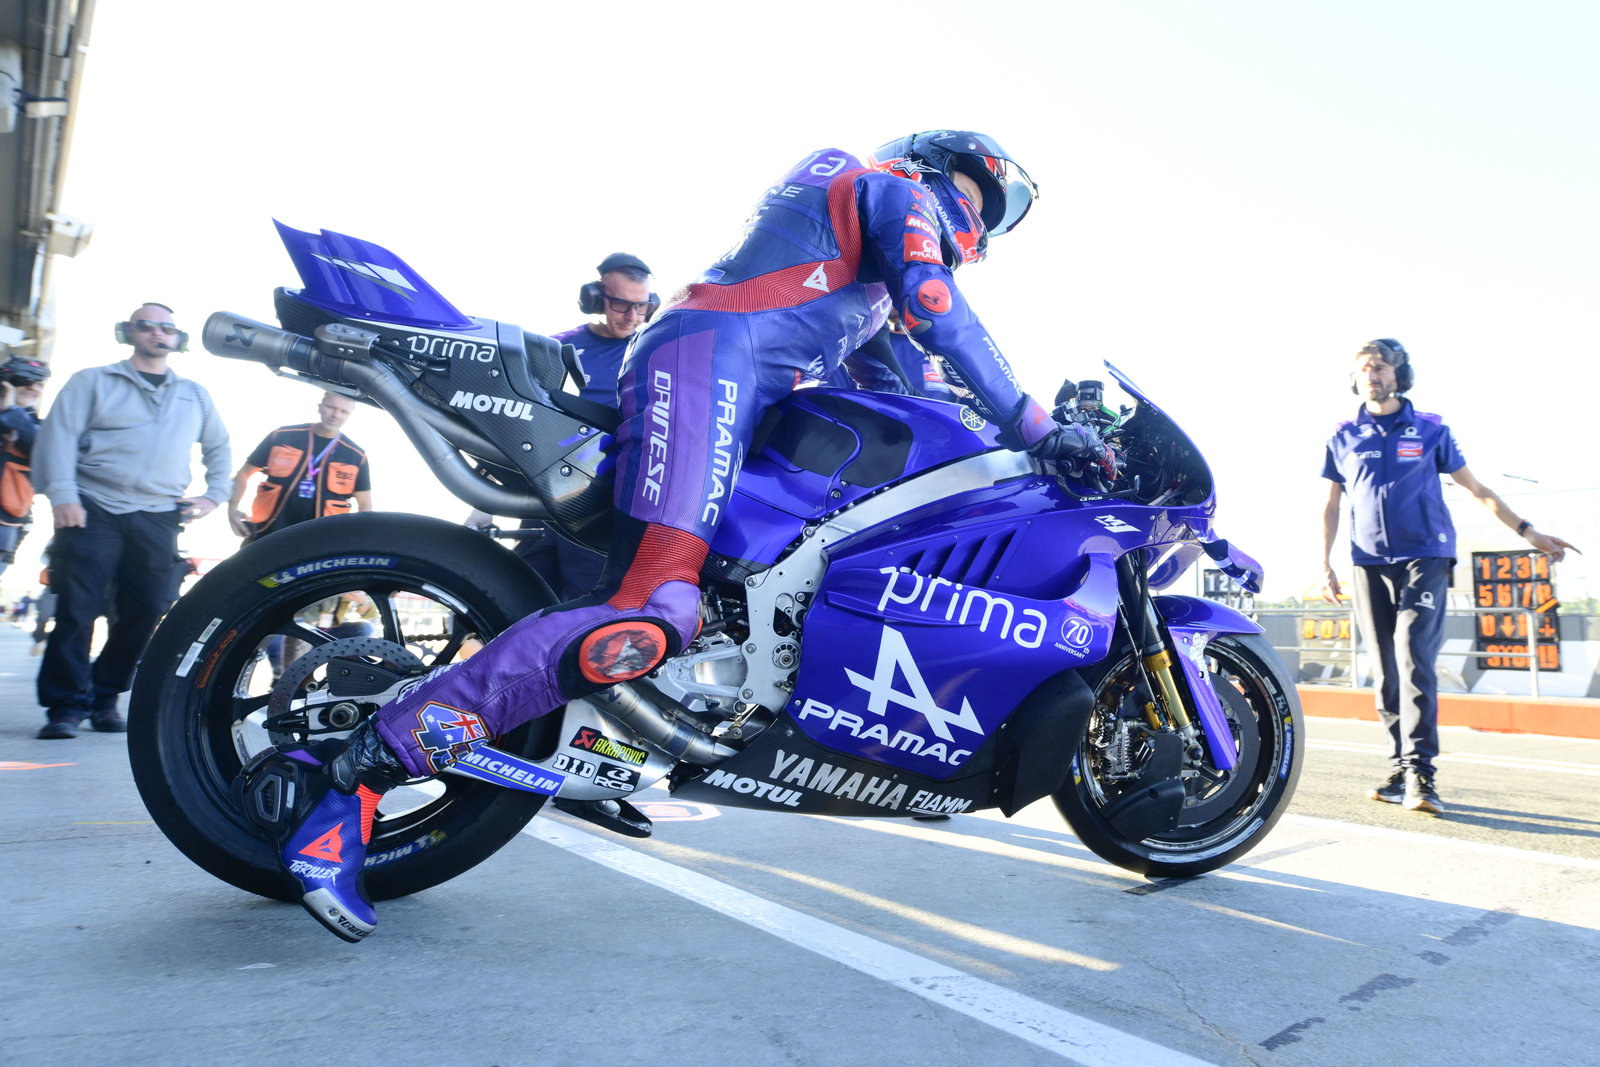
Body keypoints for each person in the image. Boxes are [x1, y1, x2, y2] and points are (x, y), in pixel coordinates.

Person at [239, 130, 1112, 941]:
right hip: (709, 364)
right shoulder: (888, 191)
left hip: (729, 378)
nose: (975, 222)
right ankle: (345, 780)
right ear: (935, 167)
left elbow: (919, 383)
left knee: (703, 595)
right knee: (653, 610)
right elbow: (938, 304)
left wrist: (1024, 446)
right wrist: (1039, 424)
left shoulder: (860, 295)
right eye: (974, 195)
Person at [1319, 339, 1578, 815]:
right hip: (1367, 562)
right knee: (1384, 671)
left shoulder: (1432, 431)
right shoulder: (1342, 437)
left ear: (1400, 375)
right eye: (1363, 369)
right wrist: (1325, 563)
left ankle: (1422, 773)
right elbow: (1331, 504)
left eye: (1379, 367)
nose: (1371, 375)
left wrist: (1528, 532)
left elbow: (1478, 490)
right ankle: (1398, 766)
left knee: (1414, 657)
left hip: (1427, 556)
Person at [32, 303, 231, 738]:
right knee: (77, 609)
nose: (157, 334)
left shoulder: (194, 394)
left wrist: (215, 495)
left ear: (177, 339)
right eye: (147, 326)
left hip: (159, 513)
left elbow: (219, 447)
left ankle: (105, 696)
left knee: (148, 609)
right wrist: (63, 494)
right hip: (92, 507)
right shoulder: (92, 381)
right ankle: (65, 706)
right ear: (129, 333)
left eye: (166, 328)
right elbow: (58, 436)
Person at [227, 391, 372, 543]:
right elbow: (244, 473)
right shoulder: (282, 436)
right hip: (265, 532)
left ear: (349, 415)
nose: (336, 415)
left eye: (344, 411)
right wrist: (232, 509)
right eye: (331, 407)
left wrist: (358, 538)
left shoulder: (355, 455)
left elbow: (365, 504)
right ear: (320, 407)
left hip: (321, 542)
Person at [0, 356, 51, 577]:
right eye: (24, 379)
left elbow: (42, 452)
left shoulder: (40, 427)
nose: (33, 387)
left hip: (5, 523)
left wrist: (9, 410)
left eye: (39, 383)